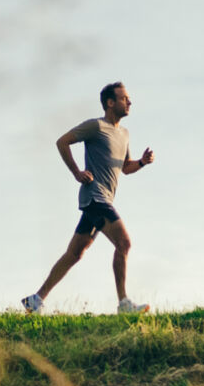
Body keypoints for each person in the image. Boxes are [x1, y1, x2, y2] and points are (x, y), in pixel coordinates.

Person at [22, 82, 156, 315]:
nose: (129, 102)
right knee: (124, 243)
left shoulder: (124, 134)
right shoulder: (96, 126)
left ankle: (36, 298)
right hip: (95, 197)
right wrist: (76, 172)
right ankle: (124, 303)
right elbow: (62, 141)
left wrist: (142, 163)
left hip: (103, 200)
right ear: (110, 103)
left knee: (75, 254)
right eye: (124, 98)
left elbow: (125, 167)